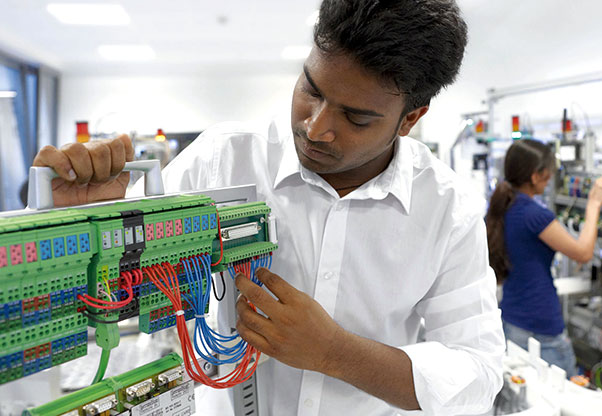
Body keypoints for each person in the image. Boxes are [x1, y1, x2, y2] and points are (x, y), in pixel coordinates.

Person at [32, 1, 505, 414]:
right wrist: (72, 220)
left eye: (356, 117)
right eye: (311, 90)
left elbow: (478, 373)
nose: (316, 128)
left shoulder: (447, 207)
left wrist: (335, 352)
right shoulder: (223, 157)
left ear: (411, 119)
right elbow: (115, 281)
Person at [485, 139, 602, 378]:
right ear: (535, 176)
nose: (551, 177)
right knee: (566, 396)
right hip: (541, 324)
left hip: (512, 319)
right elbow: (583, 252)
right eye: (548, 172)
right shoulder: (534, 215)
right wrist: (593, 204)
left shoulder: (504, 206)